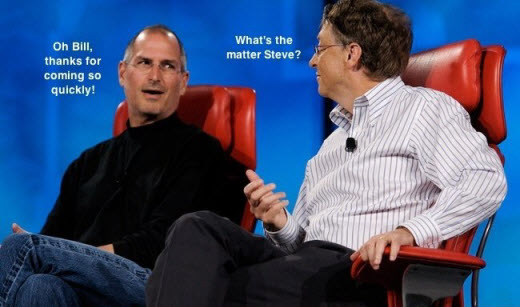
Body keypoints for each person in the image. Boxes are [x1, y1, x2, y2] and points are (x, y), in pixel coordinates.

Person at [145, 1, 507, 306]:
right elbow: (299, 245)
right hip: (309, 265)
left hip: (363, 275)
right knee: (197, 228)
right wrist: (279, 223)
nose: (312, 62)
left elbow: (485, 180)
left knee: (209, 288)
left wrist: (410, 232)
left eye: (320, 48)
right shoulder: (331, 144)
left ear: (352, 54)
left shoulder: (424, 109)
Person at [0, 24, 244, 306]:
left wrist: (67, 256)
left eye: (167, 66)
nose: (155, 76)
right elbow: (54, 238)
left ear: (183, 81)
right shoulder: (86, 163)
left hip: (152, 286)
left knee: (22, 249)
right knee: (40, 285)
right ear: (122, 73)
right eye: (144, 63)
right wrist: (61, 255)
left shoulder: (201, 152)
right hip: (81, 289)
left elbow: (165, 241)